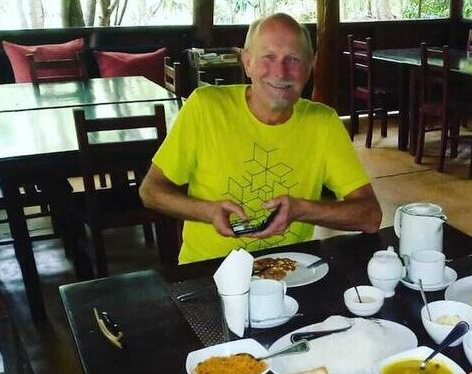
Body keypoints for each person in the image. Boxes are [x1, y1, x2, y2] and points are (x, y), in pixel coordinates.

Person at [139, 13, 382, 263]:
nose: (281, 71)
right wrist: (207, 211)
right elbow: (151, 191)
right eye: (268, 57)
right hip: (209, 271)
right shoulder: (205, 107)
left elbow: (370, 216)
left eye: (293, 59)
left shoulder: (324, 123)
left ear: (310, 66)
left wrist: (302, 210)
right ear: (247, 62)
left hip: (289, 272)